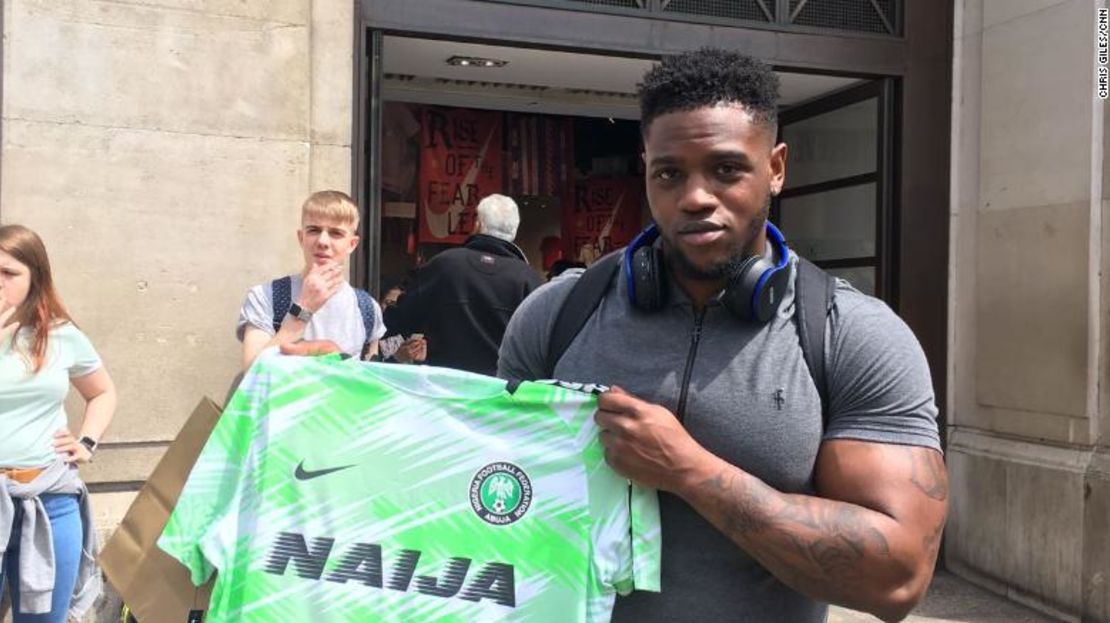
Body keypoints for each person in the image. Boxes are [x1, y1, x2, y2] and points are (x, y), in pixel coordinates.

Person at [497, 49, 947, 622]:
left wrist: (690, 471)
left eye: (726, 169)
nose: (695, 196)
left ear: (776, 168)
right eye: (670, 173)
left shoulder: (854, 336)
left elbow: (897, 577)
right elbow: (488, 498)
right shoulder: (555, 314)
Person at [0, 224, 115, 622]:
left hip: (50, 499)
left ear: (35, 278)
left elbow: (102, 392)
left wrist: (87, 441)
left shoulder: (60, 335)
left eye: (9, 273)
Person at [383, 193, 542, 376]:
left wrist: (384, 352)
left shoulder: (443, 265)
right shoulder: (528, 279)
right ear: (514, 232)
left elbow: (399, 320)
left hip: (445, 386)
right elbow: (539, 346)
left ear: (478, 224)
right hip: (501, 393)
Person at [237, 191, 386, 369]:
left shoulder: (367, 308)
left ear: (352, 244)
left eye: (336, 233)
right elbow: (252, 374)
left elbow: (370, 378)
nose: (323, 241)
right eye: (314, 230)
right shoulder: (265, 297)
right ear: (301, 238)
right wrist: (303, 308)